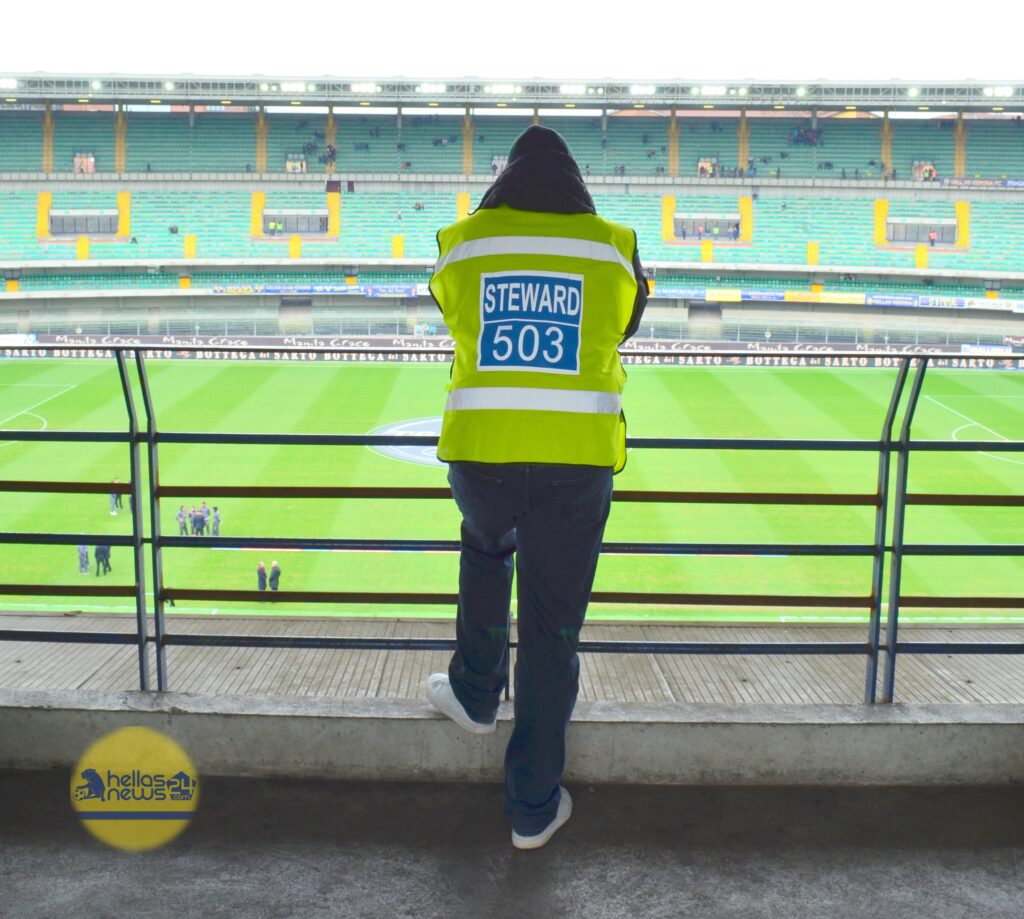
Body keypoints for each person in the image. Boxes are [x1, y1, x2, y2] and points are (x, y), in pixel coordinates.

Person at [425, 125, 648, 850]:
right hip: (575, 467)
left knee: (486, 546)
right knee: (552, 630)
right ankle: (531, 808)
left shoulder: (466, 242)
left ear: (506, 179)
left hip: (483, 460)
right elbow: (625, 326)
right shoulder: (612, 247)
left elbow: (453, 312)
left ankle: (475, 690)